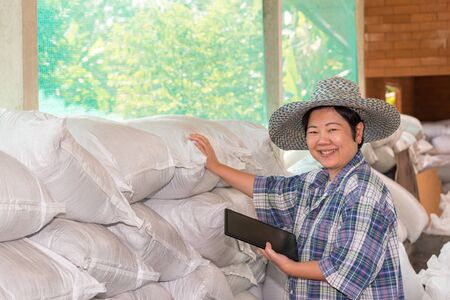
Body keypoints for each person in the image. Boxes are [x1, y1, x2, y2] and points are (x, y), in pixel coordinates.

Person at [188, 76, 404, 299]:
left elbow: (348, 267)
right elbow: (269, 189)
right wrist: (216, 166)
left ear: (357, 133)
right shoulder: (316, 182)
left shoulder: (364, 192)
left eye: (332, 130)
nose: (322, 140)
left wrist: (289, 267)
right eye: (313, 132)